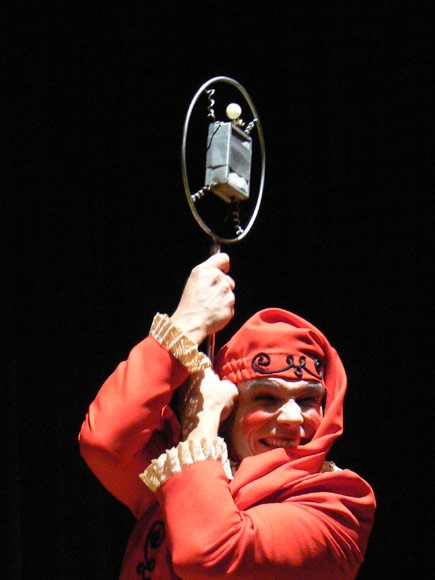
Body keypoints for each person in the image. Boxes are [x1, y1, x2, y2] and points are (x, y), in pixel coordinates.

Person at [79, 253, 376, 579]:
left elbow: (210, 553)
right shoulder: (180, 465)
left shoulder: (339, 506)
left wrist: (202, 421)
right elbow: (105, 442)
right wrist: (187, 324)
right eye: (266, 398)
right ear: (230, 409)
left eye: (308, 400)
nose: (292, 417)